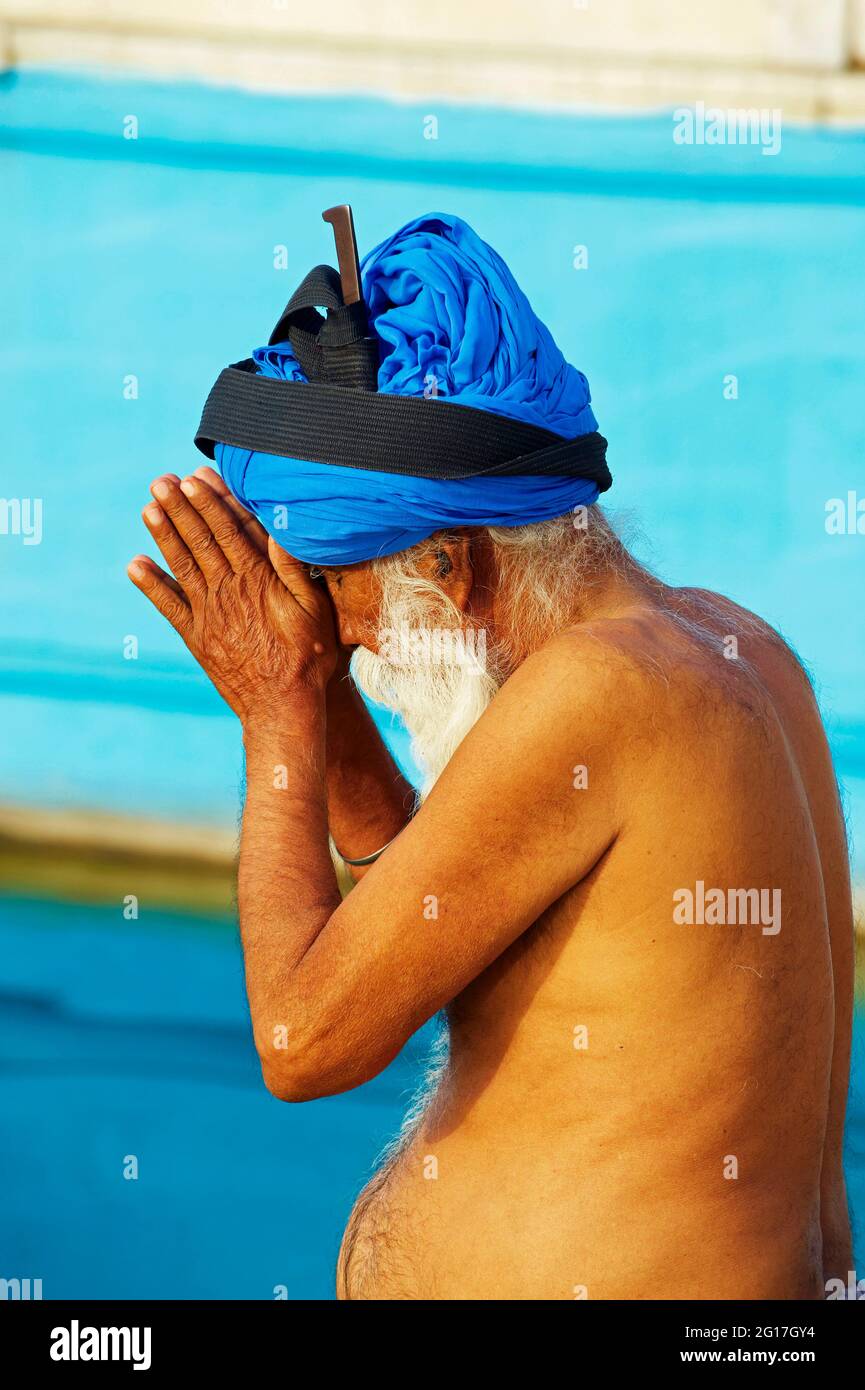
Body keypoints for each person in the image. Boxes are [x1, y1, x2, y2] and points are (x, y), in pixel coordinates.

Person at [128, 213, 853, 1300]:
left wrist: (276, 715)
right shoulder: (731, 649)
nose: (346, 638)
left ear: (448, 562)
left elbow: (300, 1039)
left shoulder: (602, 693)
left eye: (343, 597)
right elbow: (426, 911)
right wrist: (317, 688)